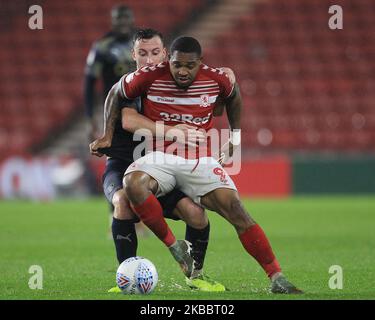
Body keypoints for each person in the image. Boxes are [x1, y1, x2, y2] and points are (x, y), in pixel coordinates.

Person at [113, 36, 302, 294]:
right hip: (158, 157)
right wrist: (104, 133)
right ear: (169, 60)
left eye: (189, 66)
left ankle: (276, 276)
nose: (182, 71)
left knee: (236, 210)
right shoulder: (149, 76)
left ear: (200, 63)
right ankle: (174, 245)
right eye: (176, 64)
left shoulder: (215, 78)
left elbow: (233, 95)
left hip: (199, 160)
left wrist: (235, 138)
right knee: (131, 183)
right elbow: (116, 93)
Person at [89, 29, 233, 292]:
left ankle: (196, 275)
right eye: (142, 53)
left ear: (165, 54)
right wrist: (171, 130)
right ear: (133, 55)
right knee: (122, 201)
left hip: (161, 167)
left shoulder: (174, 81)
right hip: (123, 163)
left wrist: (227, 77)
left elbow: (215, 101)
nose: (149, 59)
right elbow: (129, 121)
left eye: (155, 52)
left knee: (195, 214)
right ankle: (126, 276)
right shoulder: (133, 84)